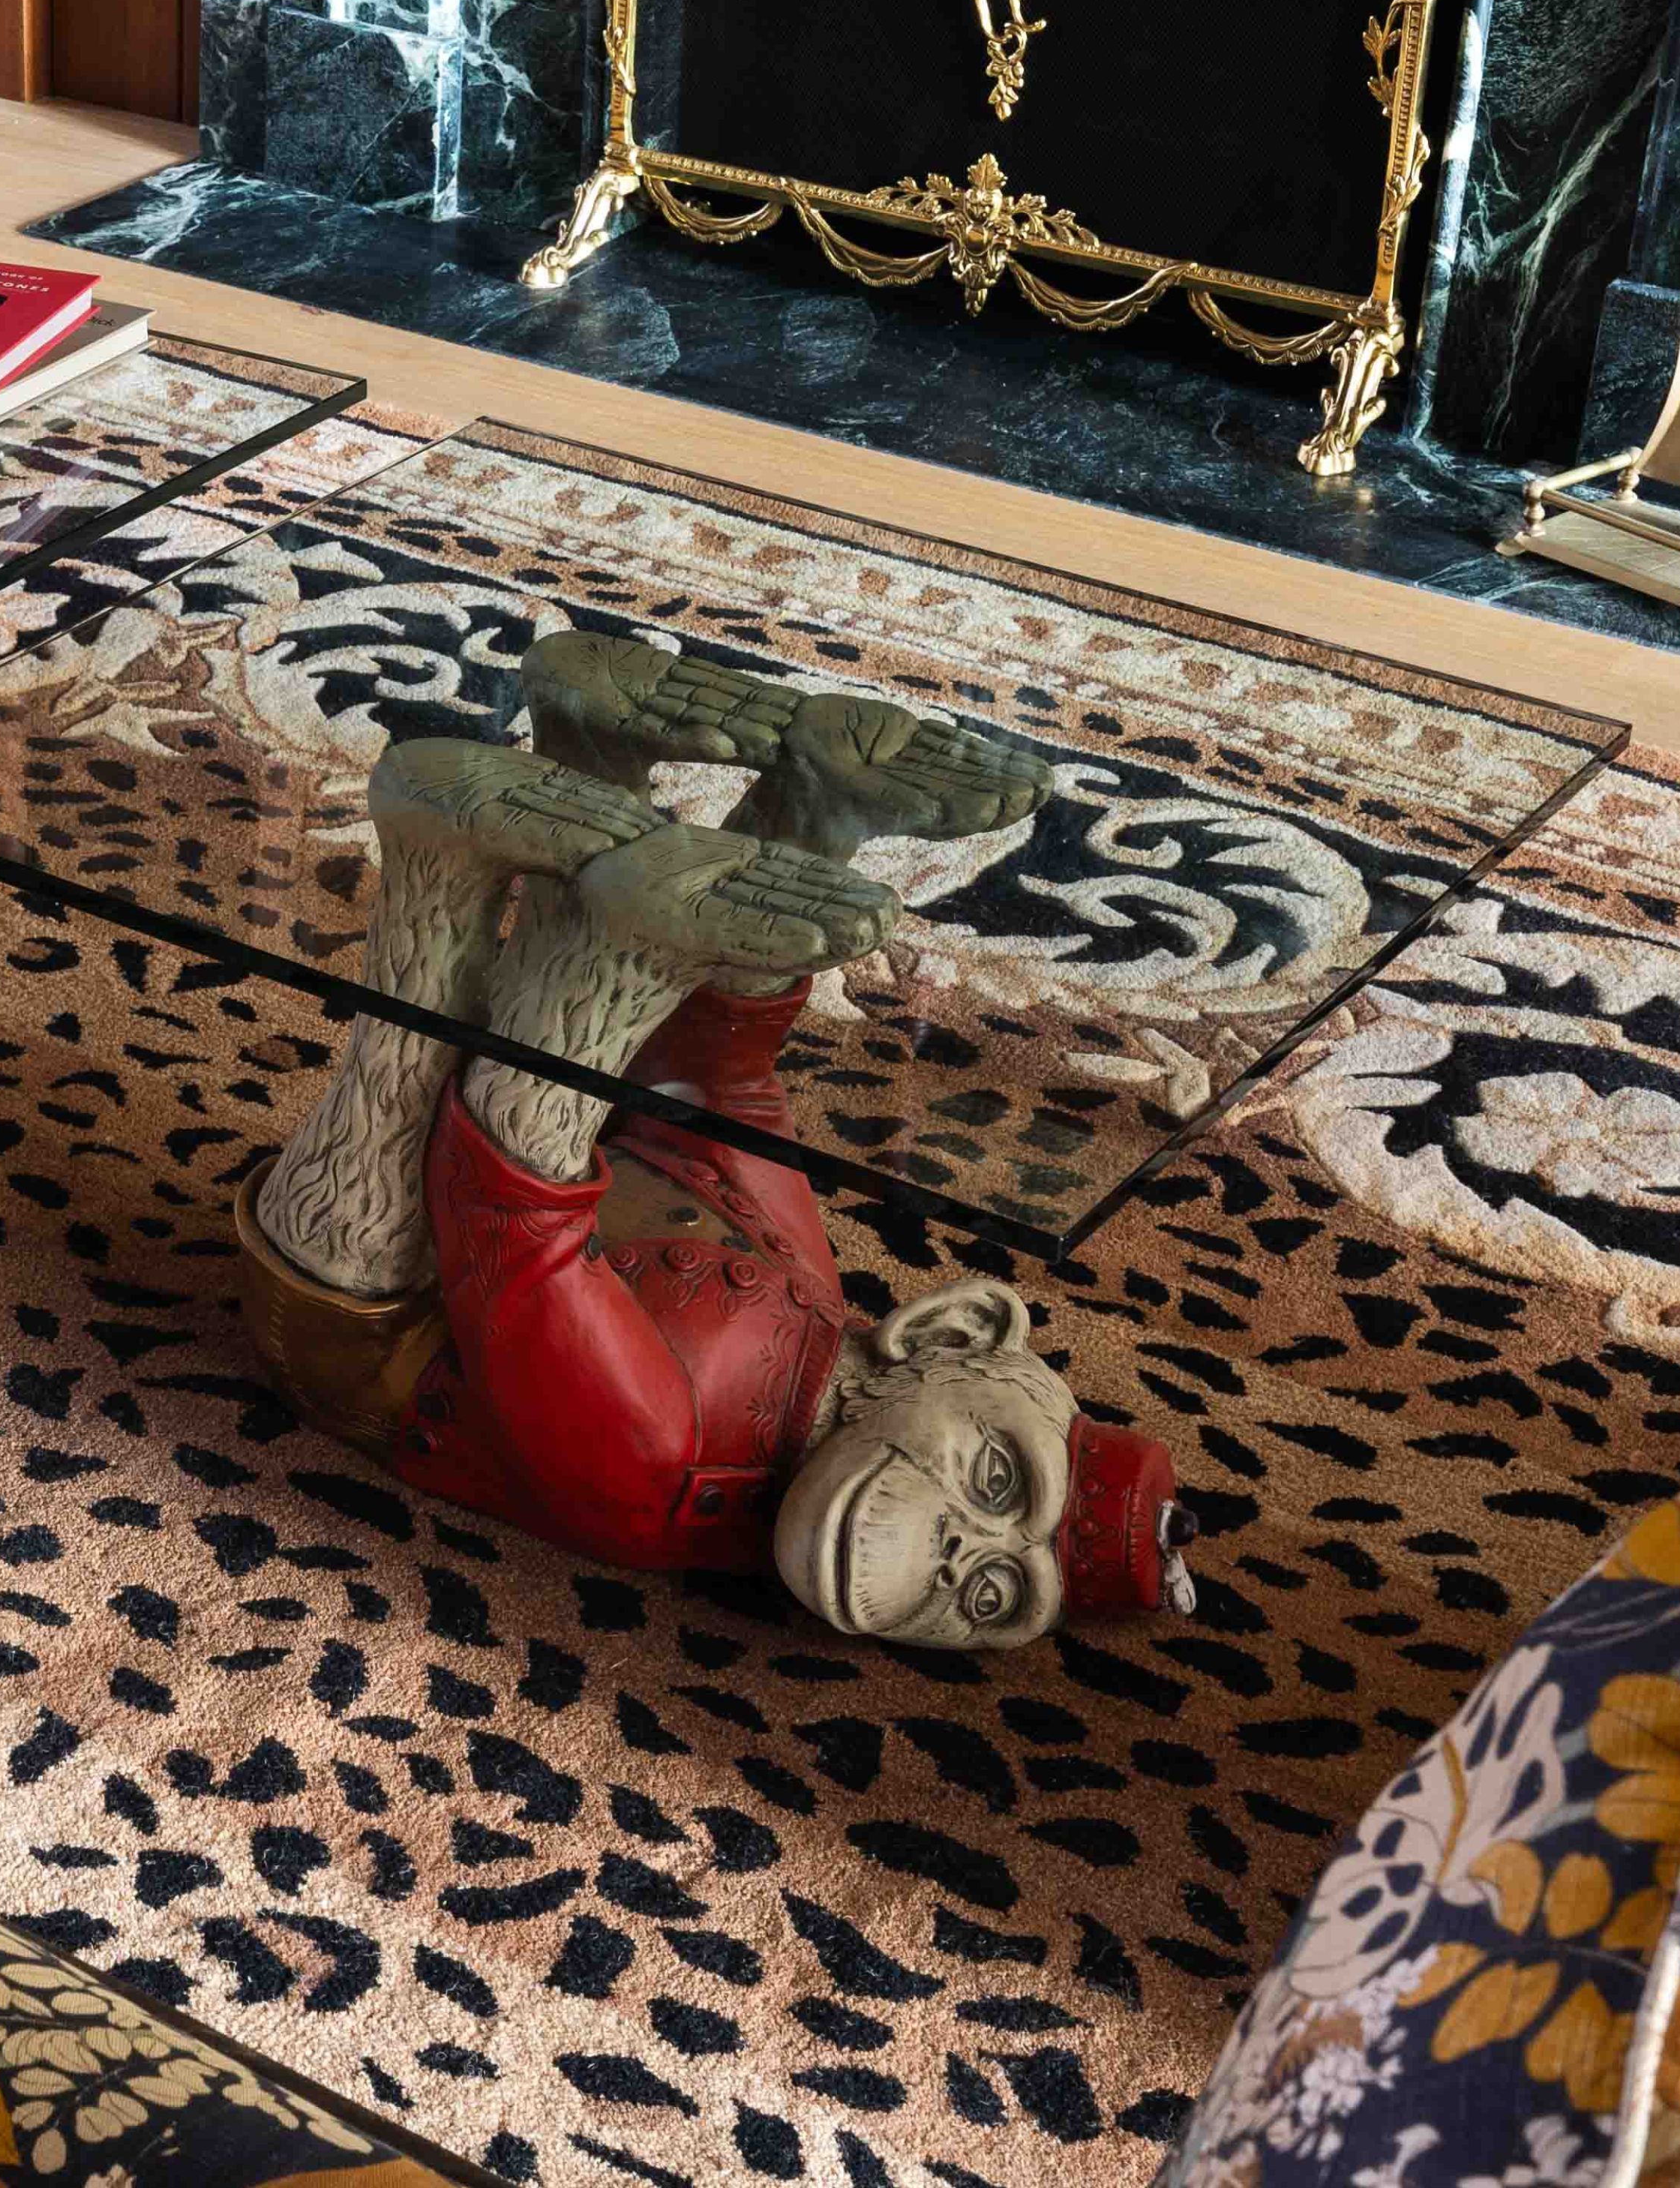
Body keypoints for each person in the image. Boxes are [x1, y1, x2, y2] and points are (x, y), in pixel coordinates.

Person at [238, 638, 1196, 1649]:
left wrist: (616, 976)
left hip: (382, 1336)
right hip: (514, 1202)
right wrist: (721, 921)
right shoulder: (811, 1317)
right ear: (948, 1334)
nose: (957, 1549)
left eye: (995, 1596)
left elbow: (509, 1243)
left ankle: (457, 852)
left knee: (388, 1147)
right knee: (610, 1041)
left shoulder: (663, 1476)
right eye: (997, 1482)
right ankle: (786, 796)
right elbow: (720, 1090)